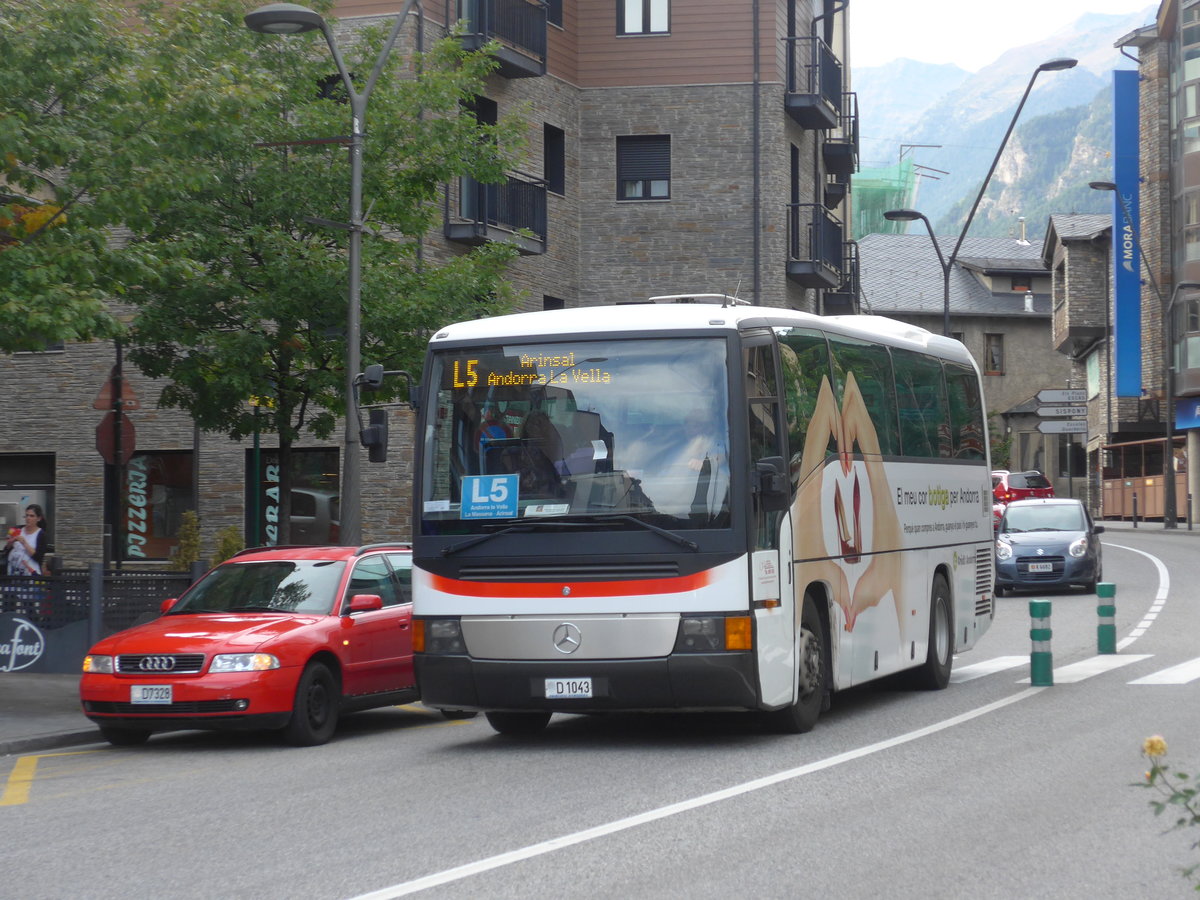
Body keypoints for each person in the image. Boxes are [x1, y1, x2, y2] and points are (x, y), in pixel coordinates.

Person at [6, 504, 48, 577]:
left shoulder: (41, 534)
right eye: (26, 515)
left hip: (30, 575)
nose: (28, 518)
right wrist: (10, 542)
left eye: (31, 516)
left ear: (38, 518)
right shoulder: (17, 529)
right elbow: (7, 549)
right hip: (13, 572)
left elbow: (39, 557)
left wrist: (24, 543)